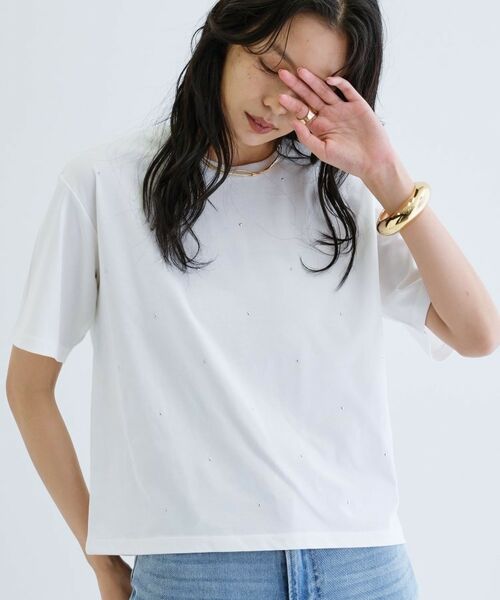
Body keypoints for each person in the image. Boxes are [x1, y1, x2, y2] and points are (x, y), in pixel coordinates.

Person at [6, 1, 500, 599]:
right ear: (226, 39)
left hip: (364, 565)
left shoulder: (345, 194)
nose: (279, 103)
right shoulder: (105, 184)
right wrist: (102, 558)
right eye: (270, 66)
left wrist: (386, 171)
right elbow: (29, 386)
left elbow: (477, 333)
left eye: (311, 89)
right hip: (200, 572)